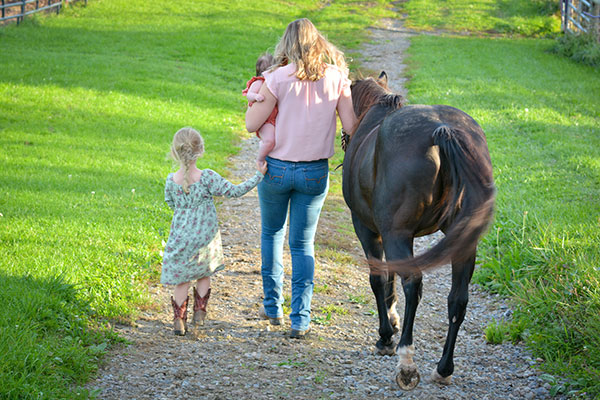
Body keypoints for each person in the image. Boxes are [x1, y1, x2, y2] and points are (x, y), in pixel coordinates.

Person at [245, 18, 357, 339]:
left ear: (287, 44)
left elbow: (253, 123)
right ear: (317, 43)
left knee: (272, 235)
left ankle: (273, 305)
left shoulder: (278, 77)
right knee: (303, 244)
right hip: (314, 172)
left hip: (277, 169)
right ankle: (301, 318)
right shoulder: (337, 78)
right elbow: (350, 127)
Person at [161, 127, 267, 336]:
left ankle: (178, 320)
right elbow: (235, 191)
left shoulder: (171, 180)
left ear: (175, 152)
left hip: (181, 237)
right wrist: (258, 176)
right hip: (204, 238)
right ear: (200, 151)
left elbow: (170, 202)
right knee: (204, 273)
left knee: (182, 279)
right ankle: (199, 313)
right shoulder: (207, 177)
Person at [242, 53, 278, 164]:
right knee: (269, 140)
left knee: (275, 140)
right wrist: (256, 97)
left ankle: (266, 151)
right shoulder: (259, 82)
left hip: (273, 118)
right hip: (264, 120)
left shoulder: (274, 83)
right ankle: (260, 159)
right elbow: (249, 94)